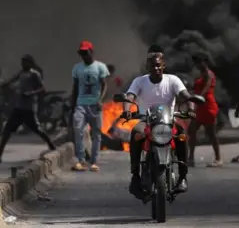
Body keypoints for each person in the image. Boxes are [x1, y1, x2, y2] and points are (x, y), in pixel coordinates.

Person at [122, 44, 197, 199]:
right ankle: (135, 176)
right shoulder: (139, 81)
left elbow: (186, 95)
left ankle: (183, 177)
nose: (156, 68)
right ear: (147, 66)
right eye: (152, 65)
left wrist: (190, 107)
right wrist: (127, 109)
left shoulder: (173, 80)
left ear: (164, 65)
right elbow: (130, 96)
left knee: (182, 136)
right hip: (146, 121)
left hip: (168, 121)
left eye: (158, 65)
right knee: (136, 133)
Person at [0, 55, 56, 162]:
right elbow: (12, 80)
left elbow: (42, 89)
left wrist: (30, 93)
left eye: (25, 62)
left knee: (37, 129)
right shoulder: (21, 73)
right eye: (22, 62)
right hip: (18, 108)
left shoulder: (35, 74)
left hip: (29, 108)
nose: (22, 64)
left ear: (30, 63)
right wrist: (4, 84)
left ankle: (51, 145)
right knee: (7, 130)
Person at [71, 40, 109, 172]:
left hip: (95, 105)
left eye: (85, 52)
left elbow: (104, 85)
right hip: (81, 104)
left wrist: (100, 100)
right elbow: (75, 88)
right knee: (78, 129)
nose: (83, 55)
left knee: (96, 134)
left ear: (91, 52)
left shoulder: (100, 67)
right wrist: (72, 105)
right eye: (81, 53)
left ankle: (94, 161)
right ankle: (80, 160)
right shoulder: (77, 68)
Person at [187, 53, 222, 168]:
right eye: (196, 62)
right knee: (191, 130)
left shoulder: (208, 73)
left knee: (211, 134)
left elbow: (206, 87)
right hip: (200, 107)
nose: (197, 64)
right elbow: (196, 88)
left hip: (207, 106)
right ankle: (190, 158)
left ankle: (218, 159)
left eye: (199, 62)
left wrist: (199, 97)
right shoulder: (201, 74)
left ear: (205, 62)